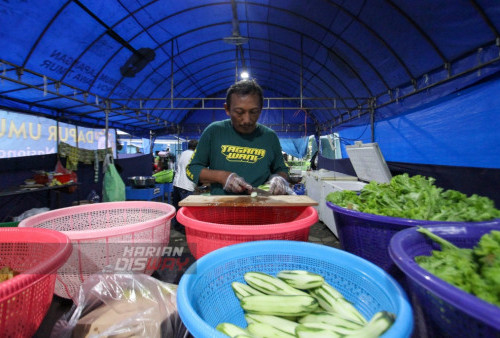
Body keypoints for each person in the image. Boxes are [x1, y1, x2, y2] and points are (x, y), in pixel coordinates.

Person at [186, 79, 292, 195]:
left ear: (261, 109)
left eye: (253, 112)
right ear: (227, 109)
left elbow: (282, 169)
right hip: (222, 208)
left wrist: (280, 179)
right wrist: (223, 177)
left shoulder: (270, 137)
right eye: (239, 112)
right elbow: (192, 169)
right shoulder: (214, 132)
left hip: (260, 207)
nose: (247, 120)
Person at [171, 139, 198, 233]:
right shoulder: (194, 155)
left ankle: (176, 225)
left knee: (177, 206)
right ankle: (184, 229)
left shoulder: (183, 154)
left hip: (177, 184)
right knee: (186, 209)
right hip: (186, 186)